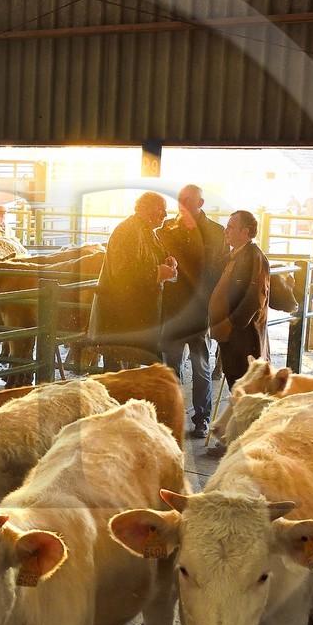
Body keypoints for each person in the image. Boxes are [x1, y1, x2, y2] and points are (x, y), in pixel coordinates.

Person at [156, 184, 227, 439]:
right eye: (181, 199)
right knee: (171, 366)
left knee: (200, 367)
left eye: (189, 199)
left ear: (201, 202)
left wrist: (216, 307)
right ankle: (171, 416)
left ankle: (201, 419)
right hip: (173, 310)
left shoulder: (217, 234)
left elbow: (221, 274)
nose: (183, 203)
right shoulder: (165, 232)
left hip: (200, 311)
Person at [92, 191, 177, 369]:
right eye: (161, 209)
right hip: (120, 318)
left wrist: (168, 259)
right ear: (147, 209)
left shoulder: (144, 230)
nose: (165, 215)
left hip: (131, 318)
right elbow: (122, 271)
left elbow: (150, 255)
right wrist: (156, 272)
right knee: (118, 375)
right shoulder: (128, 231)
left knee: (128, 371)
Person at [210, 208, 271, 390]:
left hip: (243, 339)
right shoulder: (234, 256)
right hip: (231, 337)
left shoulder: (254, 257)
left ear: (245, 231)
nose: (225, 231)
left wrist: (230, 323)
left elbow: (254, 299)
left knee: (246, 389)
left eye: (231, 227)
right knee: (235, 385)